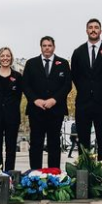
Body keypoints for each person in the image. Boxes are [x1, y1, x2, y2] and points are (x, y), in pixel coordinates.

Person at [23, 36, 72, 170]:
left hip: (56, 110)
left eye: (49, 45)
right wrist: (35, 100)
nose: (47, 48)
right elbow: (25, 85)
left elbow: (67, 85)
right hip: (36, 110)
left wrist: (54, 100)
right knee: (36, 144)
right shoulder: (31, 63)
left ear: (54, 47)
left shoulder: (63, 63)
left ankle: (54, 174)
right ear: (41, 47)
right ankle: (34, 174)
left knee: (54, 144)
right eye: (44, 45)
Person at [70, 19, 102, 162]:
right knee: (83, 141)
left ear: (100, 31)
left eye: (96, 27)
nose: (93, 30)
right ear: (86, 30)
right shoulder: (78, 52)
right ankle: (84, 173)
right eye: (90, 27)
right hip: (83, 102)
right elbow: (75, 76)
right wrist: (85, 89)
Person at [0, 47, 23, 171]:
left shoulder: (17, 76)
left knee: (11, 148)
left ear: (11, 58)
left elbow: (18, 97)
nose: (5, 58)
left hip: (12, 117)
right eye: (2, 56)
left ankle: (9, 175)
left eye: (7, 56)